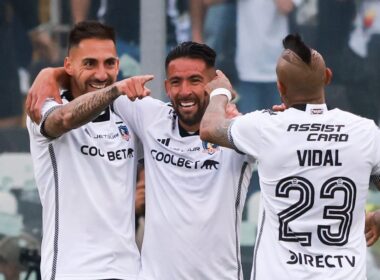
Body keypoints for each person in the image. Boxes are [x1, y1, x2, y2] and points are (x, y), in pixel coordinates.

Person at [26, 41, 255, 279]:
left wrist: (222, 98)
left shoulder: (239, 132)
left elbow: (287, 136)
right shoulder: (150, 116)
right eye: (176, 82)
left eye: (195, 80)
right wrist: (50, 74)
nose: (185, 91)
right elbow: (96, 84)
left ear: (213, 84)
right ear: (167, 87)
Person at [200, 33, 380, 279]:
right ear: (327, 76)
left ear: (280, 87)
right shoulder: (365, 131)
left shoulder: (266, 127)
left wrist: (220, 92)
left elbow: (209, 128)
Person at [26, 21, 154, 280]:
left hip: (127, 271)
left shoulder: (130, 114)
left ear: (119, 64)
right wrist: (52, 74)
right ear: (69, 66)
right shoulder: (47, 106)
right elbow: (63, 120)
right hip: (72, 271)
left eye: (109, 63)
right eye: (89, 63)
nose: (101, 73)